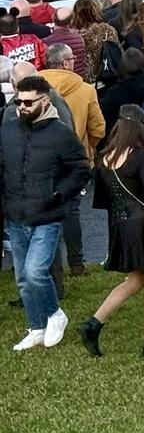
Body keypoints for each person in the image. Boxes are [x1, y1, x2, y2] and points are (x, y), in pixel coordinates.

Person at [77, 106, 144, 358]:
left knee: (133, 281)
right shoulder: (139, 157)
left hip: (120, 225)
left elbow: (101, 201)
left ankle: (94, 323)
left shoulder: (104, 159)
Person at [1, 75, 89, 351]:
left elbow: (80, 169)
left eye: (28, 102)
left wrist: (58, 194)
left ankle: (54, 314)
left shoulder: (61, 133)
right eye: (18, 101)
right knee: (23, 279)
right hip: (15, 213)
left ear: (44, 100)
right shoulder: (8, 130)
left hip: (47, 215)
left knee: (36, 272)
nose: (22, 107)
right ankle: (36, 326)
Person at [43, 7, 86, 78]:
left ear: (53, 17)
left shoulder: (45, 42)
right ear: (71, 20)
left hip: (58, 81)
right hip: (78, 79)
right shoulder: (79, 39)